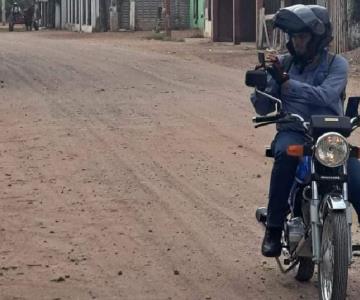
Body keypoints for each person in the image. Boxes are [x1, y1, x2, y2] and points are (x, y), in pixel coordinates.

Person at [250, 4, 360, 257]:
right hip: (294, 130)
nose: (296, 42)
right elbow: (264, 107)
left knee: (356, 177)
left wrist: (287, 82)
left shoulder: (337, 64)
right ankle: (274, 229)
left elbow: (325, 96)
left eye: (302, 36)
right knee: (285, 155)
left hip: (330, 135)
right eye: (294, 37)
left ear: (317, 38)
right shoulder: (283, 63)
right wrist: (263, 82)